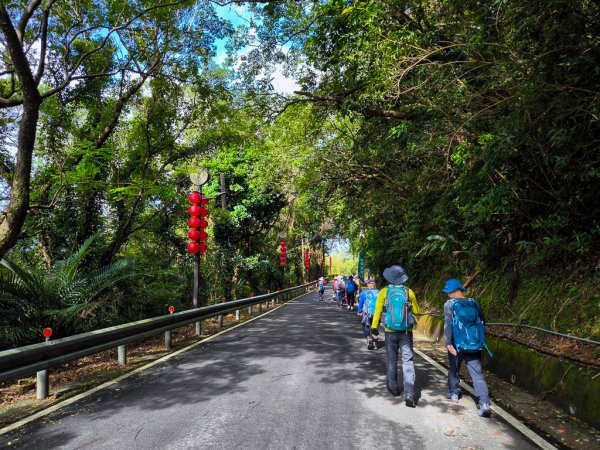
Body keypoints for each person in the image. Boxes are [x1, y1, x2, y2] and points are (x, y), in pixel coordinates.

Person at [371, 265, 420, 407]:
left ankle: (393, 387)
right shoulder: (408, 291)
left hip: (390, 331)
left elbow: (378, 310)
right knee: (408, 361)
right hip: (406, 331)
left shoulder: (384, 292)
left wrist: (374, 328)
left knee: (392, 360)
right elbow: (416, 310)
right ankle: (409, 393)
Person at [442, 278, 492, 418]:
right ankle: (484, 403)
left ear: (453, 292)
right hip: (474, 344)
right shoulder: (474, 302)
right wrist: (479, 340)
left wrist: (448, 343)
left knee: (454, 369)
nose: (447, 295)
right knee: (477, 374)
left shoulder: (449, 304)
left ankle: (454, 393)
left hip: (456, 344)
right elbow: (482, 322)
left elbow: (447, 324)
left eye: (448, 292)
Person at [357, 280, 380, 349]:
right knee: (375, 326)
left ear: (367, 285)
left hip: (367, 312)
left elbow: (361, 302)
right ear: (374, 285)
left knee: (365, 325)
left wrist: (359, 311)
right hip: (376, 312)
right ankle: (375, 344)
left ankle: (368, 339)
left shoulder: (364, 292)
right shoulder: (379, 292)